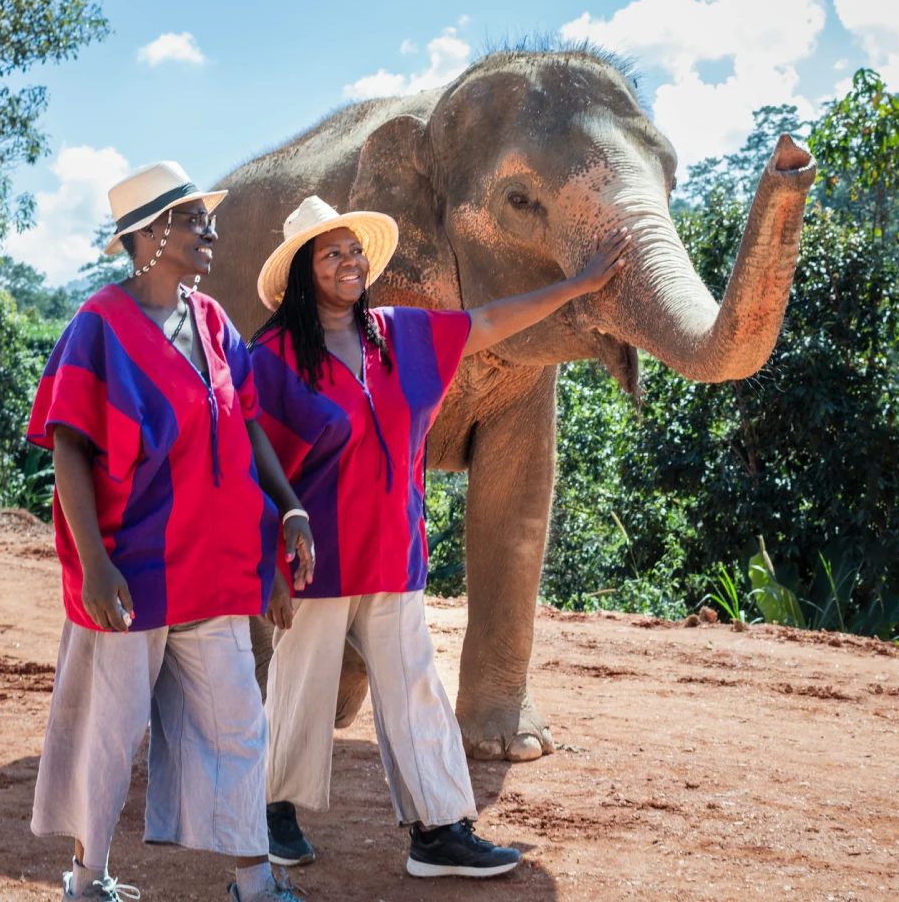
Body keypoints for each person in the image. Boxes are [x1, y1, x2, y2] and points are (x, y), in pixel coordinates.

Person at [248, 195, 632, 878]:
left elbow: (488, 322)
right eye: (330, 253)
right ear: (303, 273)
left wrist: (576, 286)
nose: (349, 262)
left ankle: (439, 830)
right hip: (314, 565)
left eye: (353, 250)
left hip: (394, 556)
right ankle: (272, 811)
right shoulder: (272, 359)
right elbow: (255, 470)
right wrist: (267, 568)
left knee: (416, 689)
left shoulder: (399, 335)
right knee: (298, 691)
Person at [26, 161, 317, 902]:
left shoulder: (212, 322)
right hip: (133, 570)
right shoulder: (98, 324)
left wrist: (286, 508)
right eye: (193, 219)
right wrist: (93, 563)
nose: (209, 231)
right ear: (150, 235)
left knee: (238, 724)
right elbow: (68, 447)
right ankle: (86, 881)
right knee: (112, 734)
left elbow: (246, 427)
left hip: (212, 569)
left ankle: (254, 880)